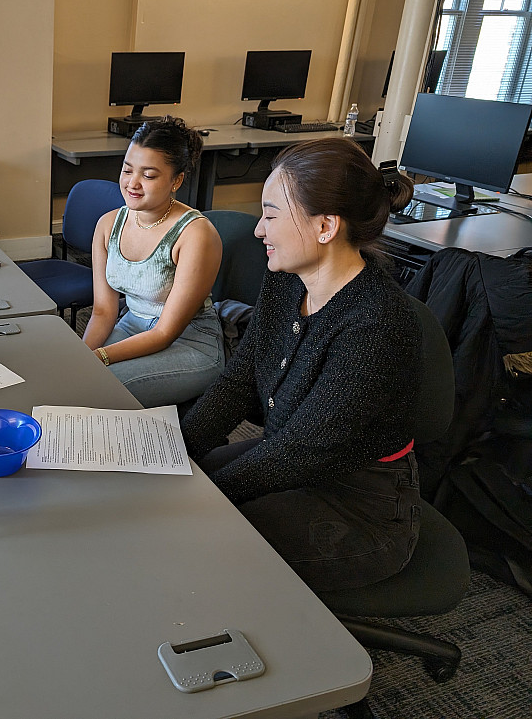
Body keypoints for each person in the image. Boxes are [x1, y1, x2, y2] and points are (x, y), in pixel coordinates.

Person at [180, 137, 421, 593]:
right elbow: (240, 382)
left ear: (326, 226)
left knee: (195, 536)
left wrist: (188, 503)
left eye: (271, 215)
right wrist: (172, 455)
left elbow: (298, 454)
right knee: (190, 481)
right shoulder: (288, 282)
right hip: (288, 457)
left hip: (359, 506)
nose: (258, 230)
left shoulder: (377, 324)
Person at [81, 116, 224, 407]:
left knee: (101, 391)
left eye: (148, 175)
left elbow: (165, 332)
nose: (132, 183)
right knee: (72, 377)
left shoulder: (195, 234)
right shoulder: (108, 224)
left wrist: (101, 357)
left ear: (177, 181)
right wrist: (81, 357)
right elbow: (102, 312)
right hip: (131, 325)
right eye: (127, 170)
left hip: (189, 341)